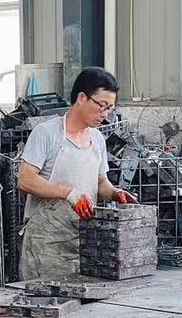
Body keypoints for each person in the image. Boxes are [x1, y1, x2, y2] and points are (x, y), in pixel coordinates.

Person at [16, 68, 136, 281]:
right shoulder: (46, 133)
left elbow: (100, 181)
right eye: (102, 106)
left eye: (110, 108)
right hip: (46, 241)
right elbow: (25, 180)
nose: (105, 114)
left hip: (83, 239)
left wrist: (115, 193)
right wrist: (69, 194)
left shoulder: (97, 139)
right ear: (82, 98)